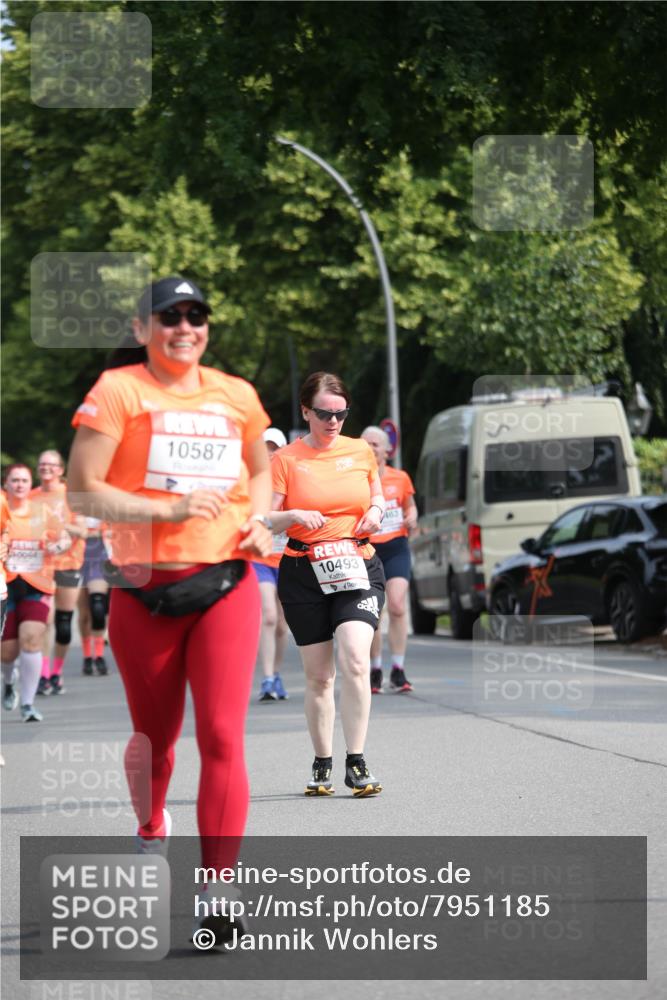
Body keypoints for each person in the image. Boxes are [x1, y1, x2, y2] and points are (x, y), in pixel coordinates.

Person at [66, 276, 273, 945]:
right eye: (169, 316)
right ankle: (152, 825)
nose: (185, 327)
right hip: (143, 589)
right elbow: (82, 491)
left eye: (196, 316)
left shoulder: (236, 394)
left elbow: (260, 470)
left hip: (225, 583)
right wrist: (169, 510)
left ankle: (219, 890)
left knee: (222, 736)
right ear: (141, 328)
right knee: (155, 742)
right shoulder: (118, 390)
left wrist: (260, 520)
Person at [270, 372, 386, 797]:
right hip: (304, 571)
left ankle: (357, 760)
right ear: (306, 412)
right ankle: (322, 761)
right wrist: (293, 515)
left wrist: (375, 512)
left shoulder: (360, 451)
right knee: (319, 676)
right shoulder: (285, 459)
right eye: (324, 414)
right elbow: (265, 518)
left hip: (357, 565)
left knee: (355, 658)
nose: (333, 421)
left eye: (341, 414)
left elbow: (377, 496)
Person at [1, 464, 71, 721]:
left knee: (31, 638)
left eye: (24, 480)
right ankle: (9, 681)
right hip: (6, 584)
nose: (19, 485)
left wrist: (58, 546)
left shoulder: (42, 511)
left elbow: (64, 538)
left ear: (31, 485)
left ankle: (28, 704)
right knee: (7, 651)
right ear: (6, 484)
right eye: (14, 480)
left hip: (37, 583)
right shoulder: (2, 509)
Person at [361, 426, 418, 694]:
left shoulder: (401, 478)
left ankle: (398, 668)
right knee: (373, 610)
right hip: (368, 549)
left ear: (387, 450)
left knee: (396, 605)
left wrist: (412, 517)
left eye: (376, 444)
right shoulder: (356, 479)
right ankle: (375, 669)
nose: (371, 448)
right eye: (366, 443)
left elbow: (410, 507)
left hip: (396, 547)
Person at [31, 450, 87, 695]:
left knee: (64, 625)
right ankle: (43, 675)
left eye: (51, 465)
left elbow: (83, 531)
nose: (46, 468)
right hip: (41, 566)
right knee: (45, 621)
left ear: (61, 470)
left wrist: (61, 526)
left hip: (69, 563)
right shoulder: (31, 496)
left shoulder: (71, 496)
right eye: (42, 464)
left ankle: (57, 672)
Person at [251, 428, 290, 702]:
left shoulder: (291, 480)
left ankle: (275, 673)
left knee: (281, 625)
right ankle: (266, 678)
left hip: (286, 560)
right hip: (260, 560)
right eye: (265, 449)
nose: (269, 454)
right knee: (268, 615)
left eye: (274, 449)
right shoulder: (253, 483)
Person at [76, 517, 111, 676]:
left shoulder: (103, 507)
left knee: (98, 608)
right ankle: (87, 656)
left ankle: (99, 655)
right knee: (84, 614)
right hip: (76, 557)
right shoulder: (72, 507)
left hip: (99, 559)